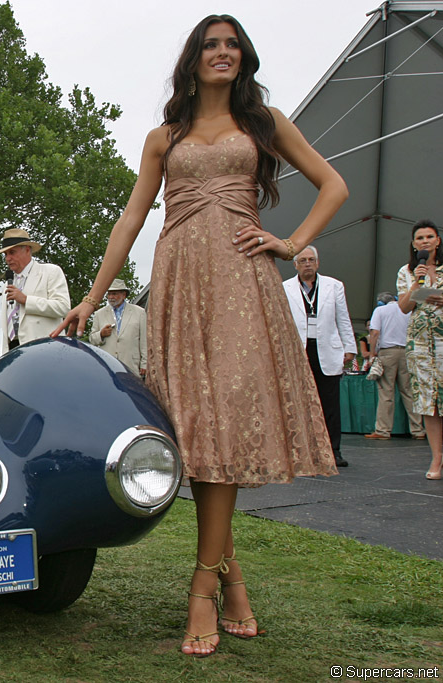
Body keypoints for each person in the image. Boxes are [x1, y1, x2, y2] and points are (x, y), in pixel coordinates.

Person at [52, 15, 347, 657]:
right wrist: (93, 296)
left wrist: (290, 242)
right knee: (200, 430)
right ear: (193, 59)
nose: (222, 53)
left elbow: (335, 185)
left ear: (244, 58)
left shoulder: (264, 124)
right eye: (211, 45)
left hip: (244, 283)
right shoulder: (165, 136)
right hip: (182, 281)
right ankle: (232, 576)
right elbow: (133, 217)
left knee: (226, 420)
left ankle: (202, 587)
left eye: (232, 45)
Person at [282, 246, 358, 466]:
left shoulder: (334, 286)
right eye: (303, 260)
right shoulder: (285, 288)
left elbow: (343, 318)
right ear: (295, 264)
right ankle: (302, 452)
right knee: (299, 403)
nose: (307, 263)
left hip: (326, 349)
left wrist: (349, 347)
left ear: (318, 262)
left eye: (311, 259)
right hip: (299, 351)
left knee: (330, 405)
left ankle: (333, 451)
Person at [397, 219, 443, 480]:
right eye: (420, 238)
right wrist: (417, 284)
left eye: (429, 237)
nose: (425, 241)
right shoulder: (406, 271)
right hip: (421, 344)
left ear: (438, 240)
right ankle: (437, 458)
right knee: (429, 403)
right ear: (414, 245)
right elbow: (403, 307)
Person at [0, 229, 70, 352]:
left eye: (12, 252)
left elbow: (63, 307)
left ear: (27, 250)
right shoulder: (8, 284)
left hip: (45, 349)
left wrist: (26, 300)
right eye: (5, 254)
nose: (8, 258)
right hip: (13, 351)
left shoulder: (50, 272)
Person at [367, 291, 424, 440]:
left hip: (388, 352)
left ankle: (383, 430)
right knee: (408, 392)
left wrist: (372, 353)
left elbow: (374, 333)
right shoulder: (407, 310)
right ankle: (418, 430)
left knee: (386, 392)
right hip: (406, 352)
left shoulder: (380, 310)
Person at [88, 279, 147, 376]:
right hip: (107, 366)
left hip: (131, 365)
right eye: (109, 294)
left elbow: (144, 340)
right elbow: (92, 339)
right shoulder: (99, 314)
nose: (111, 297)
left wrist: (144, 364)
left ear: (124, 295)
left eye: (114, 294)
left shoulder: (139, 312)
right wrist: (101, 334)